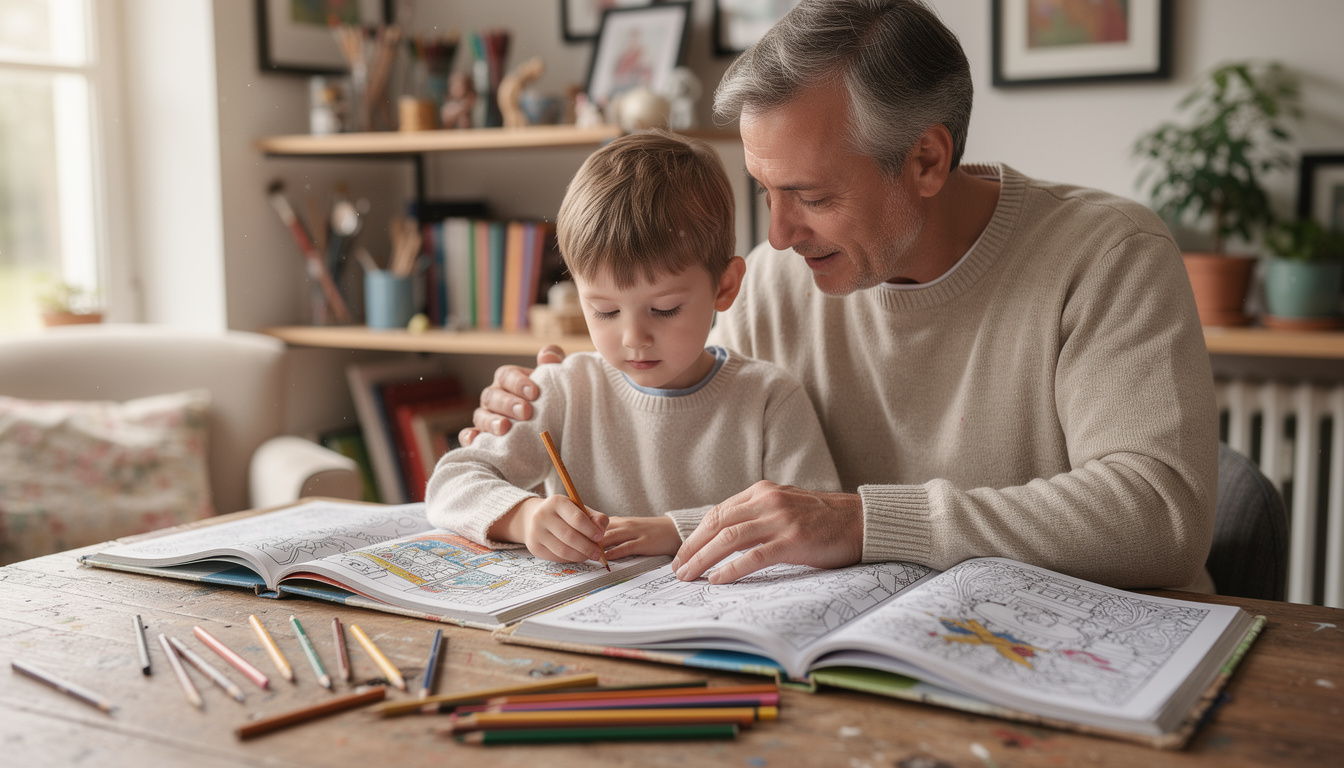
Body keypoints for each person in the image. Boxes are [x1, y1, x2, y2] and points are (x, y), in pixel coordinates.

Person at [463, 0, 1218, 591]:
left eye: (811, 196)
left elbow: (1161, 517)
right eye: (764, 191)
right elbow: (690, 433)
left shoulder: (1107, 255)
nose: (779, 234)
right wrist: (566, 395)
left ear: (927, 160)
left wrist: (862, 523)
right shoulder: (773, 282)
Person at [425, 130, 839, 564]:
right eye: (604, 310)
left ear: (725, 286)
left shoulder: (770, 400)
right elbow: (451, 483)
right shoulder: (565, 390)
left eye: (664, 308)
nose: (633, 337)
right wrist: (523, 517)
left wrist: (675, 531)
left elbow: (815, 521)